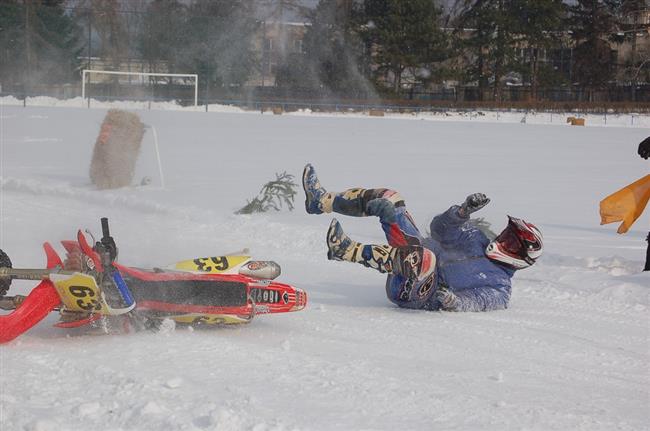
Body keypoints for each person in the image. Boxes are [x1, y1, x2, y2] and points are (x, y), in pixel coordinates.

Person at [302, 164, 543, 312]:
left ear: (519, 258)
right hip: (410, 257)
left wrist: (452, 300)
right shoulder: (477, 239)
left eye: (510, 242)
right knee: (391, 199)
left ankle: (346, 250)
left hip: (417, 293)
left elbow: (474, 302)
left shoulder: (500, 287)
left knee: (425, 258)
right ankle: (322, 201)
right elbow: (439, 230)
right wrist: (461, 212)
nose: (502, 239)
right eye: (506, 234)